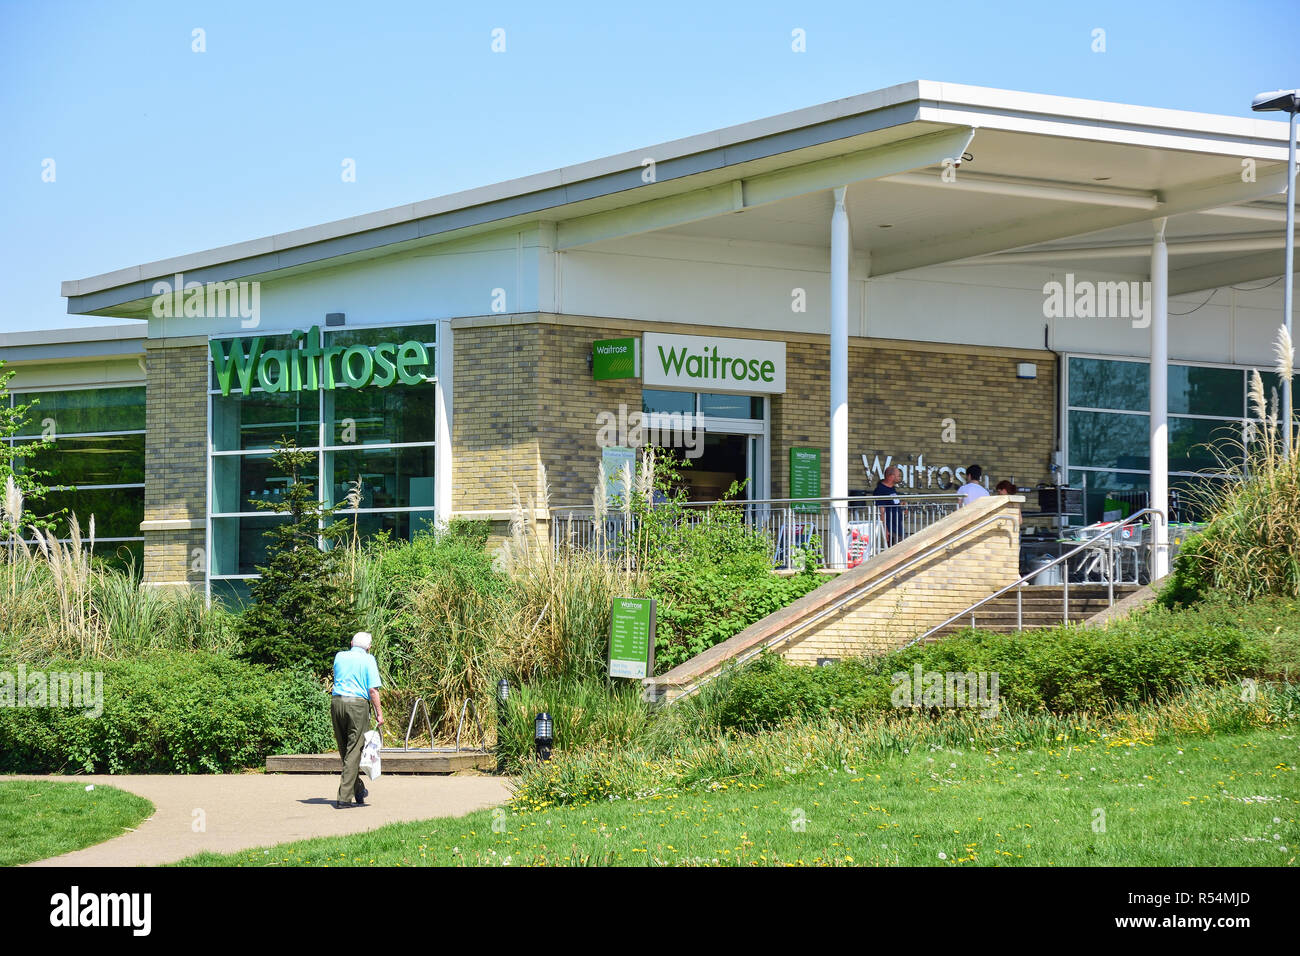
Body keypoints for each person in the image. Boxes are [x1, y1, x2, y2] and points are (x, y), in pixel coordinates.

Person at [331, 631, 384, 810]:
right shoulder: (369, 660)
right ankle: (344, 798)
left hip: (337, 703)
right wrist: (379, 714)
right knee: (354, 750)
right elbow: (373, 690)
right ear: (369, 647)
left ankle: (358, 789)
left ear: (351, 642)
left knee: (345, 750)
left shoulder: (339, 656)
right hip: (357, 706)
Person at [871, 465, 904, 543]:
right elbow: (881, 511)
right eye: (898, 475)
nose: (900, 477)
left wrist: (901, 505)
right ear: (891, 476)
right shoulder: (880, 490)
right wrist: (885, 529)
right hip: (890, 529)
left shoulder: (892, 488)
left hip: (898, 527)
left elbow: (893, 502)